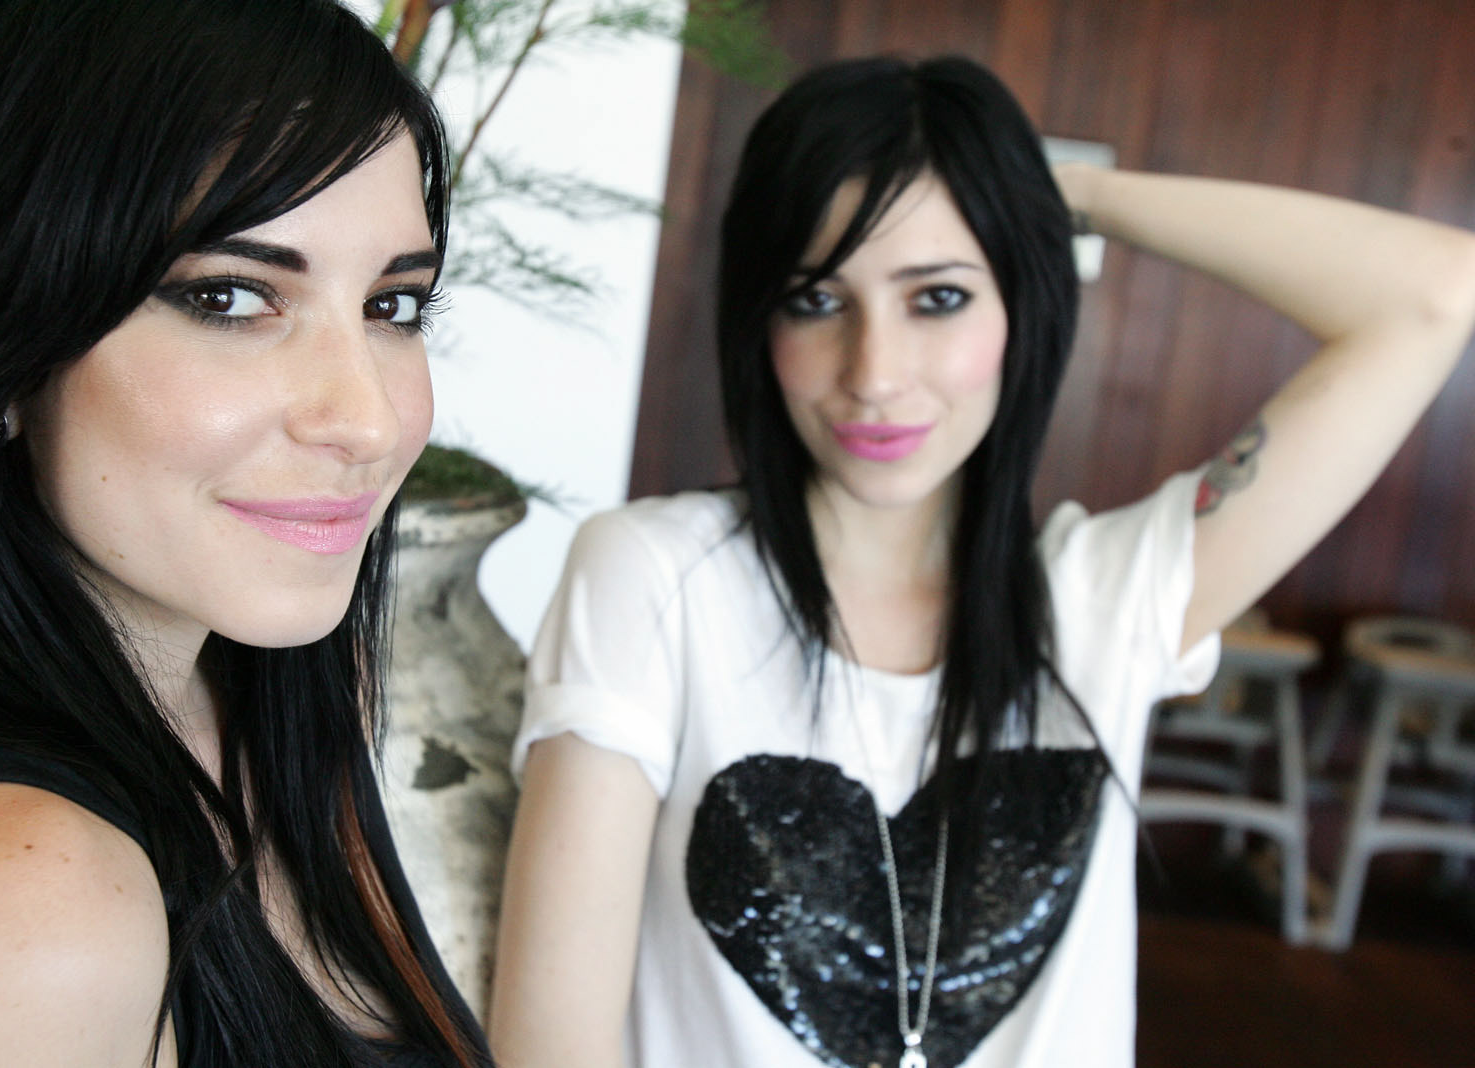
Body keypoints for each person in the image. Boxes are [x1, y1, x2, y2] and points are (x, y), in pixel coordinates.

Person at [486, 54, 1475, 1068]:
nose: (874, 374)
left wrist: (1061, 195)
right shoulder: (654, 578)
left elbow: (1436, 292)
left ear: (1021, 303)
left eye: (938, 298)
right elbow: (548, 1048)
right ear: (759, 321)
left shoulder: (1106, 600)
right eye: (817, 301)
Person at [0, 1, 496, 1065]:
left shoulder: (252, 695)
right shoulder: (23, 907)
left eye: (391, 306)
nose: (365, 420)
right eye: (230, 298)